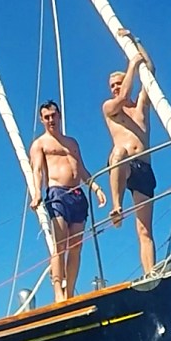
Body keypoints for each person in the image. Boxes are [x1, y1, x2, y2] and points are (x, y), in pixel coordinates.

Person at [30, 101, 106, 303]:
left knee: (76, 246)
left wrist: (96, 188)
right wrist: (37, 193)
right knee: (60, 244)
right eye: (46, 117)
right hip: (57, 193)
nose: (50, 120)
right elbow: (37, 170)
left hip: (77, 194)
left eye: (53, 115)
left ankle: (70, 292)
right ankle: (58, 293)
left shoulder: (71, 143)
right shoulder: (40, 144)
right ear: (41, 119)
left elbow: (81, 169)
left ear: (59, 115)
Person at [103, 30, 157, 273]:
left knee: (144, 229)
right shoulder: (110, 108)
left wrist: (136, 43)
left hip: (143, 167)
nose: (116, 88)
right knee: (118, 152)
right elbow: (124, 94)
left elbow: (151, 72)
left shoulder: (140, 108)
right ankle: (117, 205)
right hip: (123, 166)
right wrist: (131, 63)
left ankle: (151, 271)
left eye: (118, 83)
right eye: (113, 85)